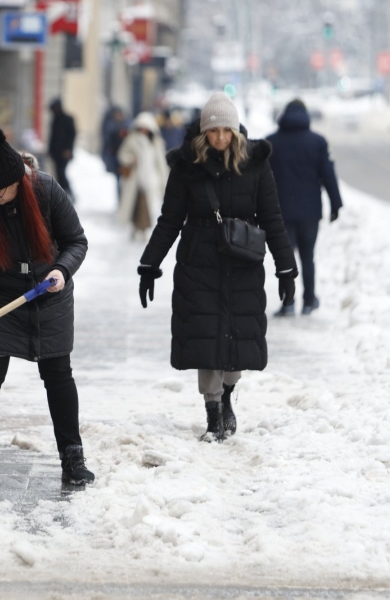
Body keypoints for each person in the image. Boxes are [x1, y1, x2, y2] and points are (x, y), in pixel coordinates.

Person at [137, 92, 298, 443]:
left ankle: (227, 395)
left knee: (237, 336)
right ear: (203, 132)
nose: (221, 138)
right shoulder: (186, 166)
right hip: (199, 262)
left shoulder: (255, 164)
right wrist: (149, 264)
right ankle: (212, 410)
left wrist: (286, 268)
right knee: (206, 336)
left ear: (236, 131)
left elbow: (272, 217)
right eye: (214, 132)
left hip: (242, 263)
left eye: (227, 131)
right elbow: (169, 220)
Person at [0, 126, 94, 491]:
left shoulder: (46, 191)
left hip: (48, 292)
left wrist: (62, 269)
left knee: (58, 374)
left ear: (17, 181)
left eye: (0, 190)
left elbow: (76, 240)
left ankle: (73, 457)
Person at [266, 99, 343, 316]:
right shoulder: (317, 142)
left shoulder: (272, 142)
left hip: (281, 212)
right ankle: (309, 300)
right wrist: (335, 204)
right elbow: (328, 175)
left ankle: (288, 303)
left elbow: (262, 180)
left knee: (285, 258)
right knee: (308, 257)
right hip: (310, 211)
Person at [116, 111, 168, 239]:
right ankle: (134, 229)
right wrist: (130, 159)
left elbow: (160, 162)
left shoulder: (156, 142)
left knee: (147, 207)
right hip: (134, 180)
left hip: (150, 179)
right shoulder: (132, 139)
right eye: (141, 127)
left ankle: (144, 230)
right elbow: (122, 155)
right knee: (134, 206)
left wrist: (164, 179)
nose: (144, 130)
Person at [48, 98, 76, 198]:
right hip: (56, 152)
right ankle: (63, 192)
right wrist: (50, 150)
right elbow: (52, 137)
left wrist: (69, 149)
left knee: (61, 173)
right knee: (58, 173)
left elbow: (72, 135)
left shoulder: (67, 119)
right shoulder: (55, 119)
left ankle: (67, 191)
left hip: (64, 152)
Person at [101, 106, 128, 196]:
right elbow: (107, 142)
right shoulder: (110, 126)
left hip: (125, 157)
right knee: (119, 178)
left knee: (125, 179)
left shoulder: (126, 125)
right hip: (115, 156)